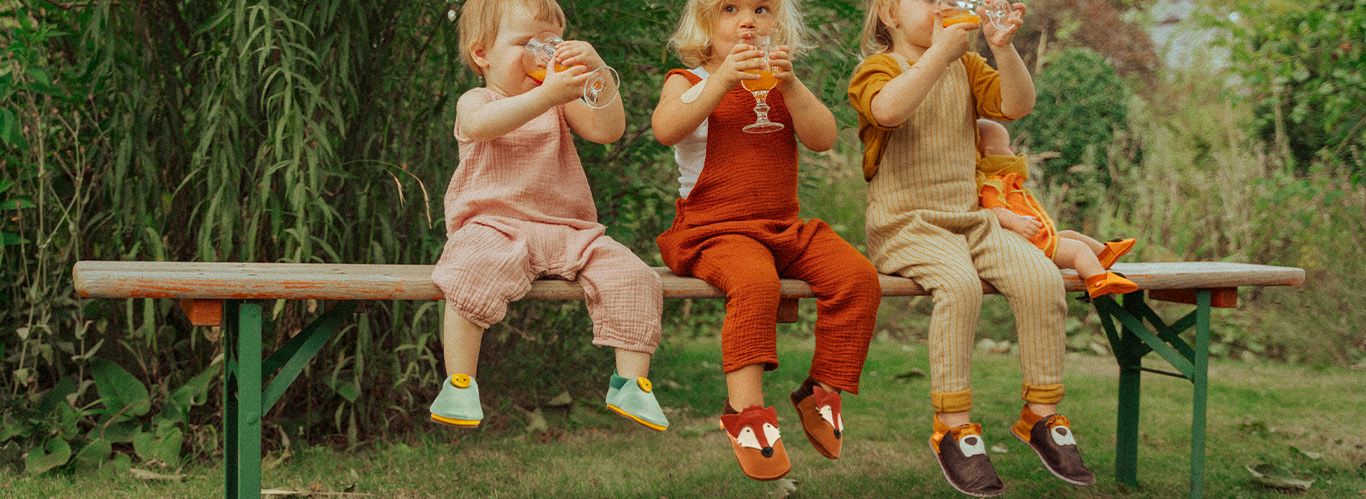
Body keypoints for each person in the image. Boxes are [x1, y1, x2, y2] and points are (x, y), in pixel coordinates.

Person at [848, 0, 1096, 494]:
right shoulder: (878, 69)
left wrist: (1003, 50)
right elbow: (889, 111)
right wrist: (940, 52)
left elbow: (1017, 105)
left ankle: (1041, 413)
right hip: (906, 224)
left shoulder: (966, 64)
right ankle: (953, 425)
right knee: (959, 287)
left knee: (1041, 279)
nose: (943, 5)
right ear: (888, 14)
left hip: (972, 220)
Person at [652, 0, 882, 481]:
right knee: (756, 283)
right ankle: (748, 414)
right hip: (713, 231)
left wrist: (793, 85)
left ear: (778, 23)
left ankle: (823, 388)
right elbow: (666, 128)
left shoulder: (779, 82)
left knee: (857, 276)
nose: (747, 21)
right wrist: (720, 81)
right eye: (730, 8)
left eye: (761, 9)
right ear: (703, 24)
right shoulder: (688, 80)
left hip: (780, 228)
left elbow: (823, 139)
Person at [428, 0, 668, 433]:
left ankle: (631, 383)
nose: (546, 54)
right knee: (468, 273)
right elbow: (484, 125)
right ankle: (460, 382)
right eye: (528, 43)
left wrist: (596, 72)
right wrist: (548, 94)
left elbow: (607, 129)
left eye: (553, 43)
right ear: (482, 54)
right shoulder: (479, 99)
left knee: (633, 274)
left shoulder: (559, 104)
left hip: (567, 230)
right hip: (493, 228)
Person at [975, 118, 1138, 298]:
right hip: (1031, 246)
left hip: (1038, 240)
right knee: (1078, 250)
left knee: (1071, 235)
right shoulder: (991, 184)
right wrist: (1017, 223)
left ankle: (1103, 254)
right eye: (1007, 147)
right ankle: (1097, 280)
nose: (1012, 152)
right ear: (990, 153)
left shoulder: (1006, 180)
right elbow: (995, 211)